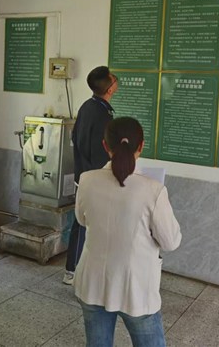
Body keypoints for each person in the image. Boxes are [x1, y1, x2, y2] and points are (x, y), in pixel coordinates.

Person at [74, 117, 181, 347]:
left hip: (93, 283)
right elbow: (170, 241)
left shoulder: (87, 180)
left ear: (105, 145)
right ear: (141, 146)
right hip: (136, 289)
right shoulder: (154, 190)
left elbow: (82, 220)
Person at [63, 66, 119, 285]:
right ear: (109, 88)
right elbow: (101, 149)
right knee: (90, 224)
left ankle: (73, 269)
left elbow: (76, 138)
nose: (116, 81)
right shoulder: (102, 114)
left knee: (82, 222)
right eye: (114, 79)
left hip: (84, 175)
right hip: (95, 177)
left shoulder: (88, 106)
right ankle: (77, 271)